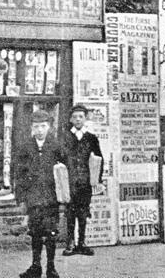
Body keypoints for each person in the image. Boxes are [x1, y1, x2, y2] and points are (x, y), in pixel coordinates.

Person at [16, 110, 66, 279]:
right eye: (36, 126)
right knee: (36, 233)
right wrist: (21, 198)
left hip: (51, 198)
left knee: (51, 233)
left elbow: (65, 171)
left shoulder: (56, 146)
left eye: (43, 126)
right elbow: (19, 174)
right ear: (31, 128)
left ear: (49, 127)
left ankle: (51, 268)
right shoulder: (25, 147)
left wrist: (65, 194)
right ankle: (35, 266)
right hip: (33, 199)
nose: (39, 130)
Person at [62, 103, 104, 256]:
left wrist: (97, 180)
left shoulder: (91, 138)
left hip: (85, 182)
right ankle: (70, 243)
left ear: (85, 119)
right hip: (70, 182)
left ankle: (82, 242)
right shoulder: (65, 137)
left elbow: (99, 159)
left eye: (81, 117)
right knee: (70, 213)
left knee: (83, 212)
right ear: (71, 119)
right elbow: (60, 159)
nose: (78, 120)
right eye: (75, 117)